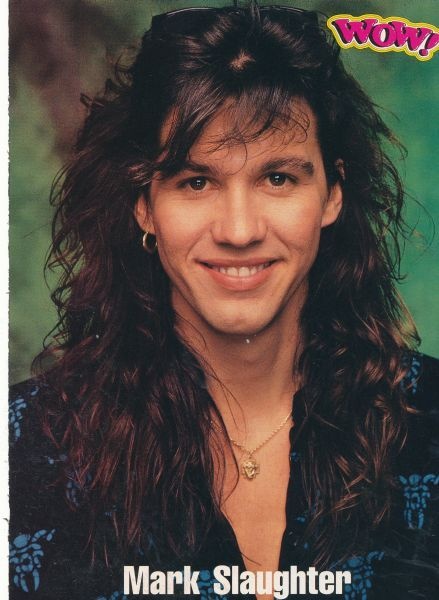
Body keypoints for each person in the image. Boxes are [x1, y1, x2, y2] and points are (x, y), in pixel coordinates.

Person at [9, 3, 439, 599]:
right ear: (144, 204)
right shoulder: (23, 449)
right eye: (197, 181)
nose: (239, 230)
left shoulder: (429, 425)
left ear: (333, 194)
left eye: (278, 178)